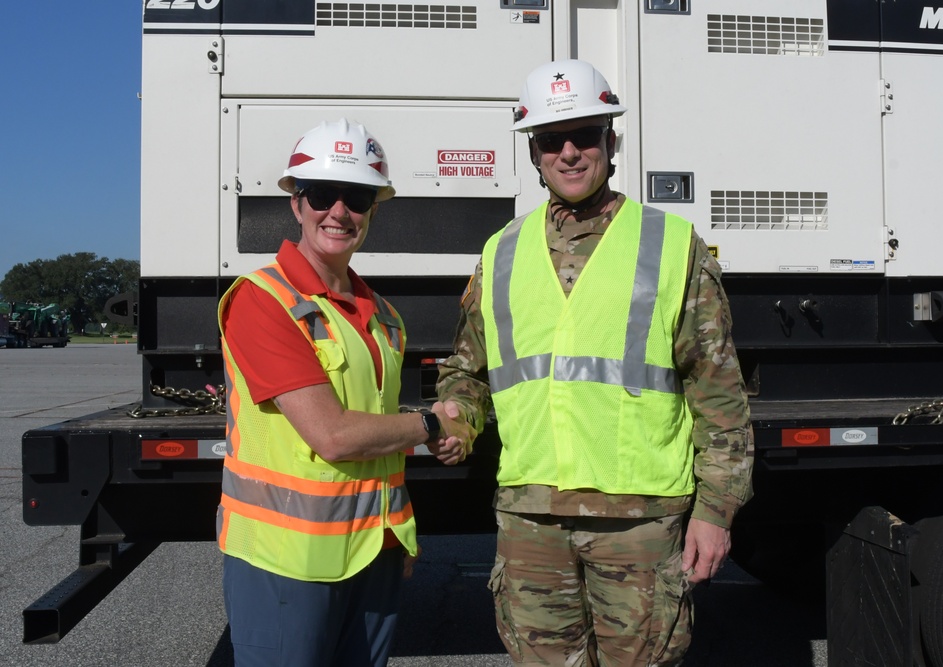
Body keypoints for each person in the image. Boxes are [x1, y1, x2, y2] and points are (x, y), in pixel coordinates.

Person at [436, 59, 754, 666]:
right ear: (534, 152)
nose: (571, 152)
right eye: (553, 140)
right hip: (531, 519)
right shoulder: (501, 253)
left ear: (612, 141)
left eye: (586, 134)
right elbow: (468, 373)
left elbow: (718, 394)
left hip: (640, 521)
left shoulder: (669, 245)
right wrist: (458, 417)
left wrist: (716, 512)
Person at [216, 118, 473, 667]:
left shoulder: (383, 316)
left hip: (373, 554)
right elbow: (333, 436)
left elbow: (375, 425)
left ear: (373, 209)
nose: (338, 211)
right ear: (296, 203)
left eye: (355, 196)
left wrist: (426, 447)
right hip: (286, 563)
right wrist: (430, 424)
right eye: (323, 194)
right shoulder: (262, 301)